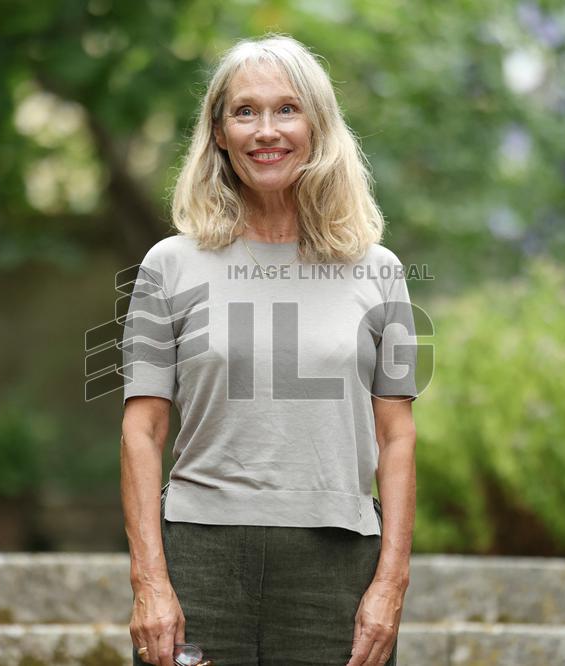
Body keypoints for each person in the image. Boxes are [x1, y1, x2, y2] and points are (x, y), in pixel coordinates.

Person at [121, 33, 419, 666]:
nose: (266, 130)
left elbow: (396, 436)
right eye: (245, 111)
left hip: (337, 566)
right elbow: (142, 430)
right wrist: (150, 582)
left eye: (287, 109)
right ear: (219, 134)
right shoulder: (167, 266)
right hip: (200, 561)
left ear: (318, 126)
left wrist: (391, 586)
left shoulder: (379, 271)